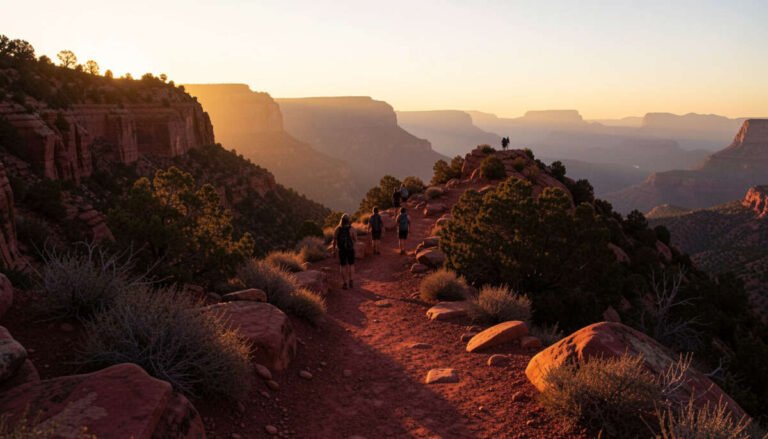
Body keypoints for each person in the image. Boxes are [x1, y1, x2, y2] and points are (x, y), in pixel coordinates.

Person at [332, 214, 357, 289]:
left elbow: (334, 241)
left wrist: (333, 250)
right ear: (348, 221)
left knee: (342, 266)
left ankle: (345, 283)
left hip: (341, 250)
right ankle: (351, 281)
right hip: (350, 249)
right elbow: (355, 239)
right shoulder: (351, 229)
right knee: (351, 265)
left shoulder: (337, 229)